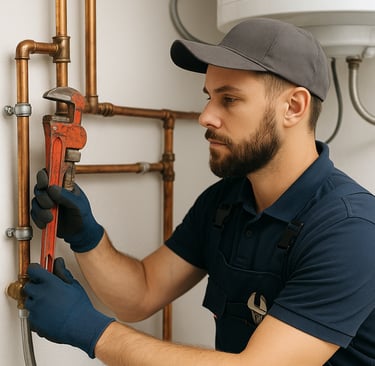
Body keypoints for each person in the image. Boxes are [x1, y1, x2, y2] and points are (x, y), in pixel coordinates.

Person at [25, 17, 375, 365]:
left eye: (230, 100)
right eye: (209, 97)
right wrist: (87, 236)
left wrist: (91, 330)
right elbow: (141, 293)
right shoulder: (227, 200)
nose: (206, 116)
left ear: (293, 107)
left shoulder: (351, 230)